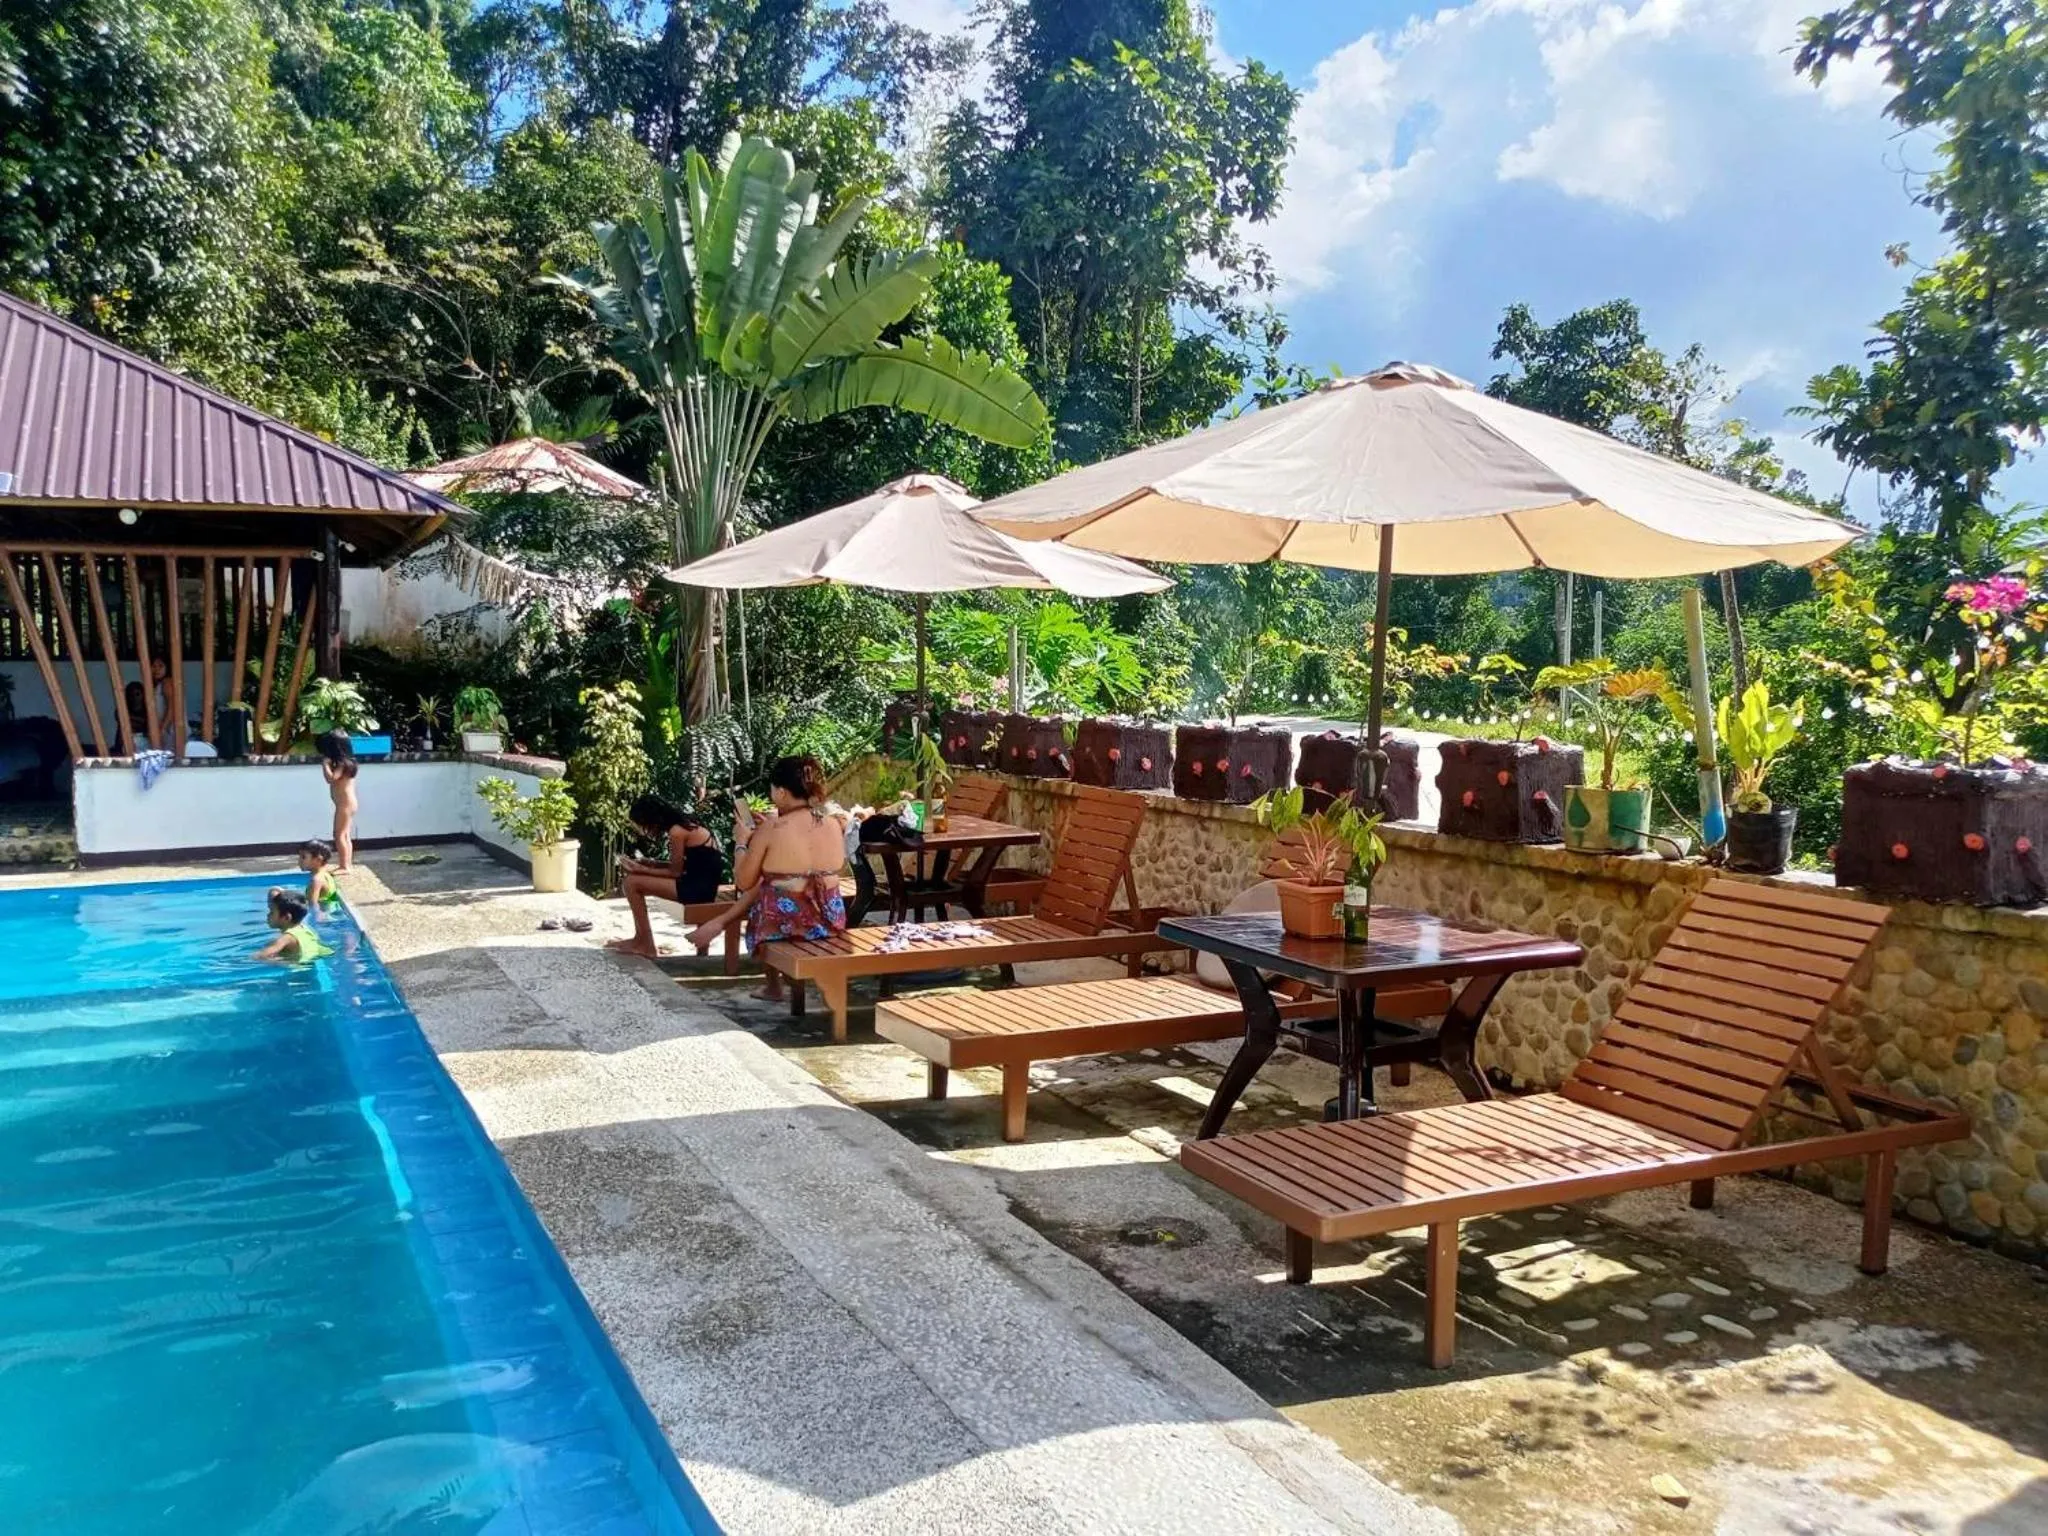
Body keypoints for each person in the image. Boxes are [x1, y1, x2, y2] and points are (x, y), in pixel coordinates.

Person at [686, 755, 847, 1002]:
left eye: (772, 789)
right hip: (830, 918)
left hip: (788, 924)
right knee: (776, 885)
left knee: (769, 893)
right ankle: (722, 927)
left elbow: (743, 882)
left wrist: (741, 841)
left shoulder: (771, 829)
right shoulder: (833, 823)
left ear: (782, 792)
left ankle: (773, 985)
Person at [605, 797, 723, 959]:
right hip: (701, 884)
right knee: (634, 879)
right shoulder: (686, 825)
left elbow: (675, 872)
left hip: (697, 889)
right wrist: (650, 864)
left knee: (631, 883)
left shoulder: (677, 832)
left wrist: (641, 869)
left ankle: (646, 943)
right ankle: (640, 939)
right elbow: (682, 867)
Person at [317, 730, 359, 872]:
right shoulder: (349, 762)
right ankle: (347, 864)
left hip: (345, 804)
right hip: (348, 803)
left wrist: (325, 764)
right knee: (345, 834)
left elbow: (331, 778)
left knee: (339, 834)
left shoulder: (342, 764)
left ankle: (344, 866)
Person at [256, 887, 333, 963]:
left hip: (300, 971)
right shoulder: (305, 929)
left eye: (272, 912)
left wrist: (284, 962)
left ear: (286, 917)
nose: (268, 915)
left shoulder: (286, 938)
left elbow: (260, 956)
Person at [299, 838, 342, 919]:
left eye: (303, 857)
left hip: (322, 918)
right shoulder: (326, 875)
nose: (299, 860)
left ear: (318, 859)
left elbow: (313, 905)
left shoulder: (316, 881)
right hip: (330, 914)